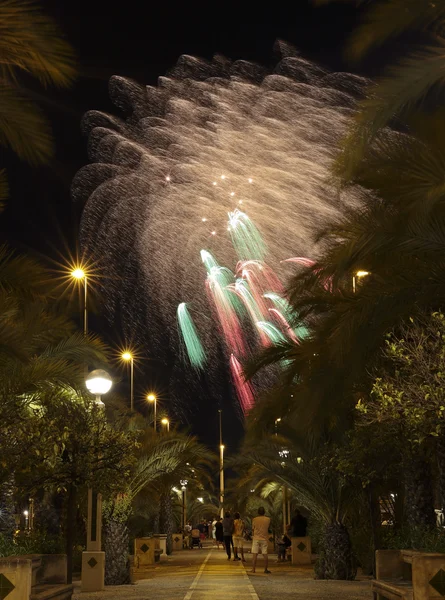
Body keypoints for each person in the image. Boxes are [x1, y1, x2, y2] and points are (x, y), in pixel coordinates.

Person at [250, 506, 271, 574]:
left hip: (256, 538)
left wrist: (253, 536)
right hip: (264, 538)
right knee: (265, 554)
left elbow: (253, 529)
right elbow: (268, 528)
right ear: (264, 512)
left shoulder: (255, 519)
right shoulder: (268, 519)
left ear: (258, 512)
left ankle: (253, 569)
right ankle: (265, 569)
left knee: (254, 554)